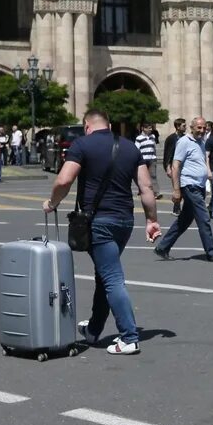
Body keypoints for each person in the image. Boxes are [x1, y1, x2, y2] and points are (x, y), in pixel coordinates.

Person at [43, 109, 160, 356]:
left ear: (87, 125)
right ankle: (94, 329)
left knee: (111, 278)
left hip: (99, 221)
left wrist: (52, 203)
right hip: (125, 221)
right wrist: (152, 220)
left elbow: (64, 180)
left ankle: (129, 336)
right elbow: (146, 186)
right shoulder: (130, 147)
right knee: (104, 275)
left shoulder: (82, 145)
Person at [155, 116, 213, 261]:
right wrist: (176, 189)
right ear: (192, 128)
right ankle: (211, 252)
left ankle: (163, 247)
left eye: (204, 128)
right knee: (204, 218)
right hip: (189, 185)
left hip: (199, 185)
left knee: (185, 220)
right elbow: (176, 165)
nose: (202, 130)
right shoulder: (184, 142)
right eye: (199, 127)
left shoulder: (202, 142)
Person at [163, 118, 186, 213]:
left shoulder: (185, 138)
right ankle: (176, 207)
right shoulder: (171, 138)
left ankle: (183, 208)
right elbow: (167, 154)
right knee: (177, 187)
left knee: (184, 187)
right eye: (183, 126)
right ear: (177, 126)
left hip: (184, 166)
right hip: (174, 166)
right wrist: (168, 167)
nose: (185, 127)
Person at [135, 123, 162, 199]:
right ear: (144, 128)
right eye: (149, 128)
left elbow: (154, 147)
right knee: (142, 176)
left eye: (151, 128)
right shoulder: (139, 138)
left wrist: (155, 156)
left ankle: (156, 192)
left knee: (153, 176)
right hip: (143, 160)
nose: (151, 130)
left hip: (152, 159)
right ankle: (142, 190)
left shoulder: (152, 137)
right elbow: (136, 149)